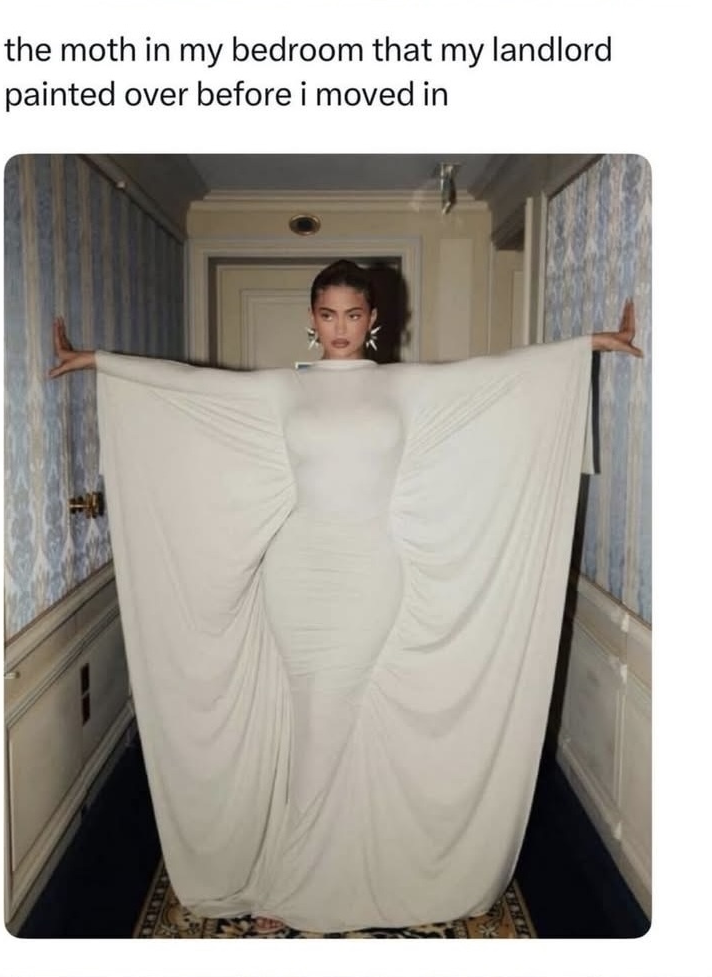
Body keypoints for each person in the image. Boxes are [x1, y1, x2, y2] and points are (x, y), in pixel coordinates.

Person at [50, 259, 641, 936]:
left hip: (369, 576)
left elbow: (498, 375)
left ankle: (295, 883)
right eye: (328, 314)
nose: (340, 327)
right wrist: (98, 362)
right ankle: (311, 865)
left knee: (327, 720)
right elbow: (189, 384)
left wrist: (588, 345)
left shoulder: (404, 386)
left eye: (353, 314)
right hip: (295, 573)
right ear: (311, 319)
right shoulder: (284, 389)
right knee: (315, 720)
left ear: (373, 319)